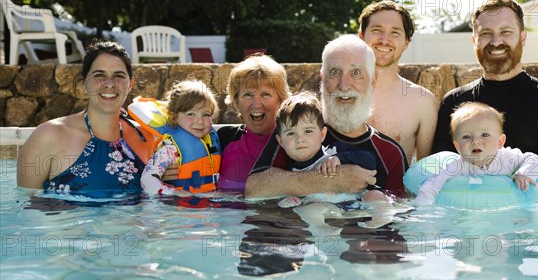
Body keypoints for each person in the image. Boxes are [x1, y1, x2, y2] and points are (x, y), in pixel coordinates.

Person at [431, 0, 538, 184]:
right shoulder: (455, 103)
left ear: (523, 38)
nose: (495, 42)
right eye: (485, 33)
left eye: (505, 32)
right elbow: (438, 170)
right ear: (474, 40)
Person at [245, 34, 408, 199]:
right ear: (322, 79)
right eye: (335, 72)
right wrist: (329, 180)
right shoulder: (296, 128)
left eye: (356, 72)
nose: (344, 85)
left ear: (372, 81)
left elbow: (401, 215)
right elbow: (253, 190)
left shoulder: (391, 153)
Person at [17, 41, 154, 195]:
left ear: (130, 84)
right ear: (84, 83)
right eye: (99, 75)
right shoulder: (47, 136)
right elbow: (26, 209)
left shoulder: (147, 138)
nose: (109, 84)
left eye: (118, 76)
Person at [273, 91, 387, 208]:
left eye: (308, 131)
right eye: (291, 133)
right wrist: (286, 201)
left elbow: (370, 160)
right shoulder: (289, 174)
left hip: (358, 202)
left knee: (376, 196)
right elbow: (280, 195)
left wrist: (340, 159)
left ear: (322, 134)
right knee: (311, 209)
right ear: (281, 141)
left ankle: (379, 223)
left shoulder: (334, 151)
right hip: (327, 212)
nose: (300, 139)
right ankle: (321, 227)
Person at [416, 102, 538, 205]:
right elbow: (433, 184)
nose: (476, 141)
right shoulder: (457, 165)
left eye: (485, 135)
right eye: (466, 137)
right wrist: (422, 209)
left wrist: (524, 173)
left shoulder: (507, 158)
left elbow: (534, 160)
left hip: (507, 208)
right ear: (457, 147)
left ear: (500, 142)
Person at [358, 0, 438, 162]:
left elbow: (426, 173)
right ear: (361, 36)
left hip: (397, 187)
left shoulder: (422, 101)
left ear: (406, 43)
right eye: (376, 30)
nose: (384, 40)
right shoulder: (338, 90)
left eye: (395, 32)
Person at [129, 79, 221, 196]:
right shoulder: (170, 149)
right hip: (179, 208)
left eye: (206, 114)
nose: (200, 121)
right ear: (173, 117)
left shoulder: (211, 142)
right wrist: (175, 193)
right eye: (191, 114)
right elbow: (147, 181)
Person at [217, 53, 291, 191]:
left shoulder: (294, 142)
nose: (256, 104)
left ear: (281, 100)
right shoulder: (223, 139)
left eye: (265, 94)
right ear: (236, 101)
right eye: (248, 95)